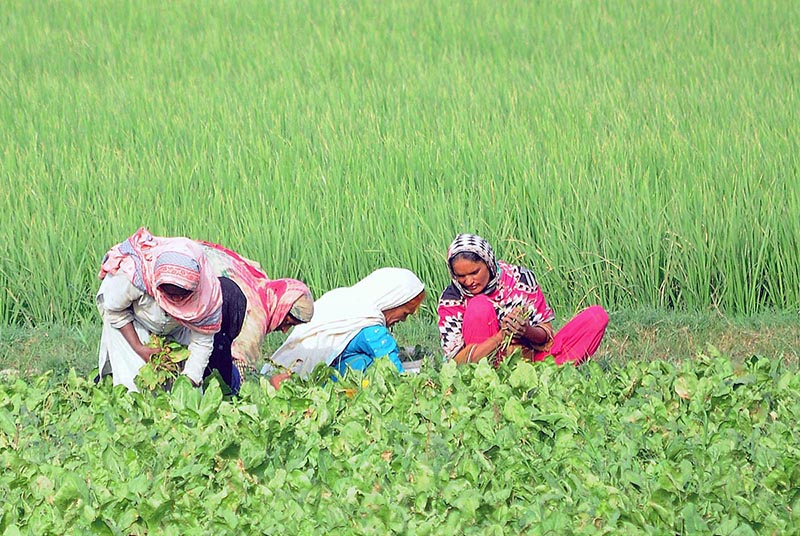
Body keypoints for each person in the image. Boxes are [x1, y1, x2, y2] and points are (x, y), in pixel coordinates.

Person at [96, 227, 313, 394]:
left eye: (182, 296)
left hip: (176, 326)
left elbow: (202, 341)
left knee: (183, 390)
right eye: (170, 295)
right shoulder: (132, 277)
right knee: (132, 386)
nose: (176, 300)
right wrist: (139, 347)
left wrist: (190, 382)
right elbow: (114, 311)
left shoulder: (207, 295)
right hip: (131, 320)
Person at [437, 233, 608, 367]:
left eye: (474, 272)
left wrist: (525, 331)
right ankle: (489, 386)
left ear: (489, 263)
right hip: (484, 368)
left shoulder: (521, 280)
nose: (468, 281)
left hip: (531, 362)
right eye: (461, 276)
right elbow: (457, 363)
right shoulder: (452, 299)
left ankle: (543, 376)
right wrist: (501, 336)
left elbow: (547, 337)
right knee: (478, 306)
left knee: (596, 317)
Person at [263, 267, 426, 389]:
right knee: (367, 365)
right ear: (393, 302)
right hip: (311, 378)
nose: (403, 320)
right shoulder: (372, 328)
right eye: (405, 313)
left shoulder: (346, 297)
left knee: (363, 361)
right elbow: (392, 368)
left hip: (299, 370)